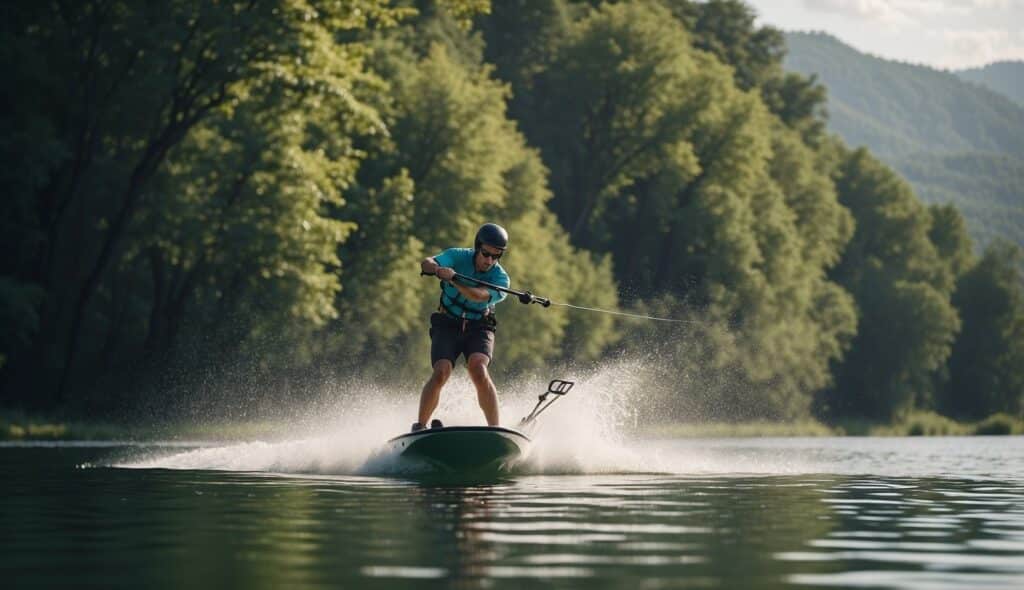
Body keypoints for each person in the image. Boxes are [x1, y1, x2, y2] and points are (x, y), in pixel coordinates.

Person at [414, 223, 512, 432]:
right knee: (441, 371)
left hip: (479, 325)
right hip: (448, 322)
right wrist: (437, 269)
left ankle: (495, 430)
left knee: (478, 368)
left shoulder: (501, 279)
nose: (489, 260)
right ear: (477, 247)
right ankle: (420, 426)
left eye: (495, 256)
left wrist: (454, 279)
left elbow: (477, 297)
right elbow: (426, 263)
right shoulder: (457, 256)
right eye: (486, 254)